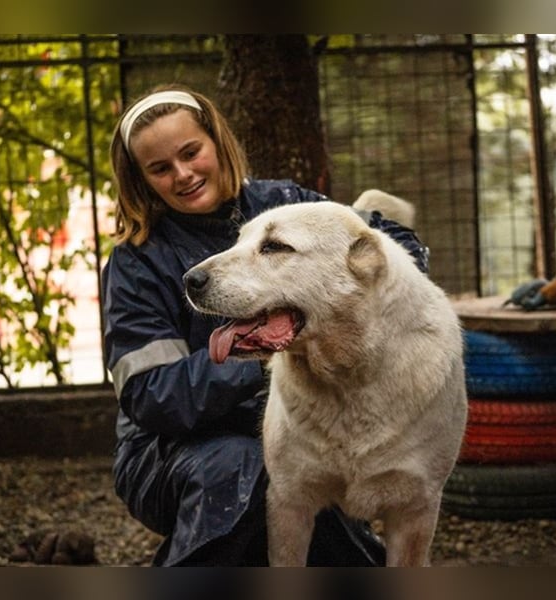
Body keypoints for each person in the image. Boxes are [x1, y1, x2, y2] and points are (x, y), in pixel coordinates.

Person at [101, 84, 430, 566]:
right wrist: (267, 355)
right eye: (160, 168)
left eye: (191, 152)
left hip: (297, 433)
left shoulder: (284, 204)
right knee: (249, 467)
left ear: (217, 141)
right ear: (142, 180)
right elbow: (152, 395)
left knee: (291, 470)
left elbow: (390, 243)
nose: (184, 174)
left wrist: (377, 299)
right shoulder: (137, 262)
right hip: (168, 454)